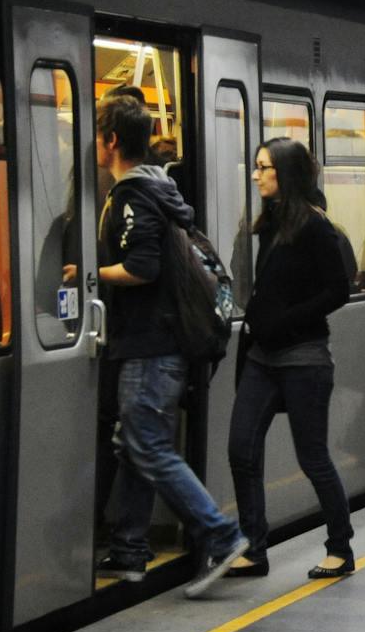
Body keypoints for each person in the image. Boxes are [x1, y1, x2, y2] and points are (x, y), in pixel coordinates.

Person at [91, 95, 248, 597]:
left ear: (111, 140)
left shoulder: (134, 196)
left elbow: (142, 268)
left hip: (150, 345)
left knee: (149, 446)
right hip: (157, 342)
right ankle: (131, 550)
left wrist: (90, 275)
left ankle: (222, 536)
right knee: (134, 445)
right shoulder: (160, 189)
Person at [226, 137, 356, 578]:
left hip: (304, 358)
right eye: (257, 167)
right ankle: (253, 546)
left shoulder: (315, 228)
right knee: (241, 449)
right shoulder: (267, 225)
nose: (256, 174)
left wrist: (287, 319)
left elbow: (338, 289)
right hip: (263, 358)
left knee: (312, 457)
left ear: (286, 174)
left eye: (264, 167)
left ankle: (341, 547)